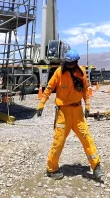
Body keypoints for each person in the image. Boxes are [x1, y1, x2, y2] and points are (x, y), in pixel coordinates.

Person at [36, 49, 102, 180]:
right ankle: (51, 169)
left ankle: (96, 166)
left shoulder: (81, 72)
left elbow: (85, 89)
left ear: (76, 62)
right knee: (58, 141)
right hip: (63, 113)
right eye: (67, 63)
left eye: (71, 63)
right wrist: (42, 103)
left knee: (86, 138)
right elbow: (49, 88)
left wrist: (87, 105)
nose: (68, 65)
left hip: (77, 113)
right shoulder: (59, 72)